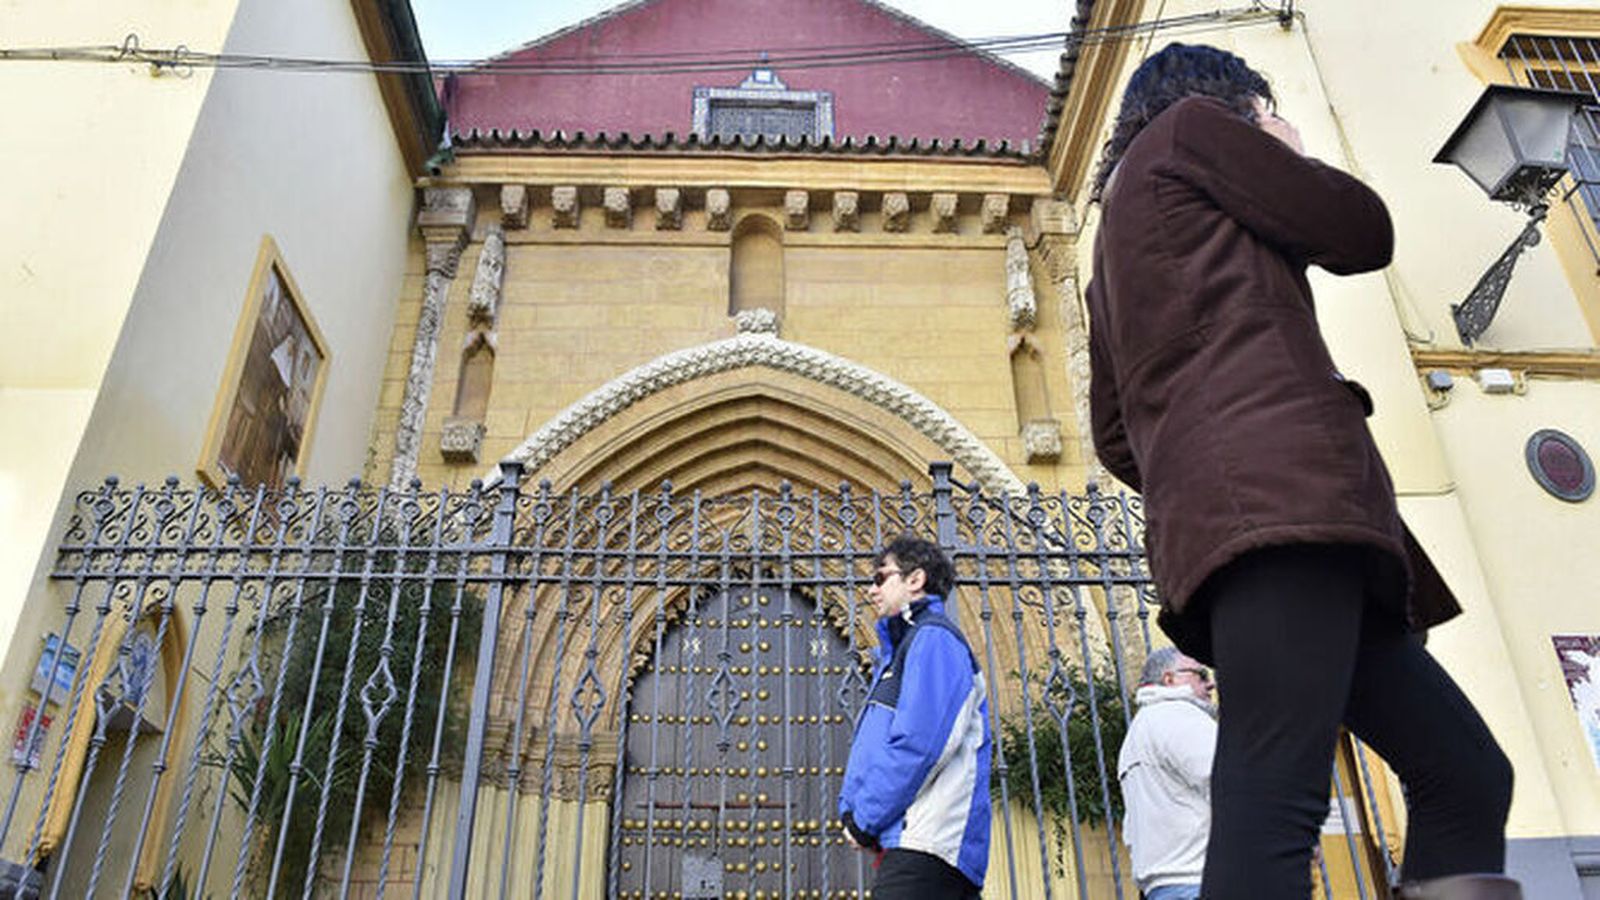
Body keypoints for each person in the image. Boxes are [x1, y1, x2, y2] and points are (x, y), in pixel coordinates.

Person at [1084, 43, 1517, 899]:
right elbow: (1361, 232)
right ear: (1231, 99)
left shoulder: (1109, 250)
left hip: (1267, 521)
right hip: (1287, 512)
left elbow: (1111, 432)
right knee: (1275, 791)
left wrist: (1201, 464)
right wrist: (1280, 146)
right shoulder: (1192, 131)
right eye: (1260, 104)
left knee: (1465, 773)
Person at [837, 535, 991, 899]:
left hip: (929, 840)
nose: (871, 590)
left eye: (880, 578)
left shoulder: (934, 640)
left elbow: (919, 744)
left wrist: (864, 818)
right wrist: (855, 813)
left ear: (915, 580)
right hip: (912, 839)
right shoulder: (901, 650)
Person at [1118, 648, 1217, 900]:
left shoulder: (1138, 733)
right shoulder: (1179, 716)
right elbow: (1229, 784)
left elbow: (1132, 830)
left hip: (1162, 887)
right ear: (1170, 679)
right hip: (1199, 880)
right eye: (1201, 675)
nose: (1210, 683)